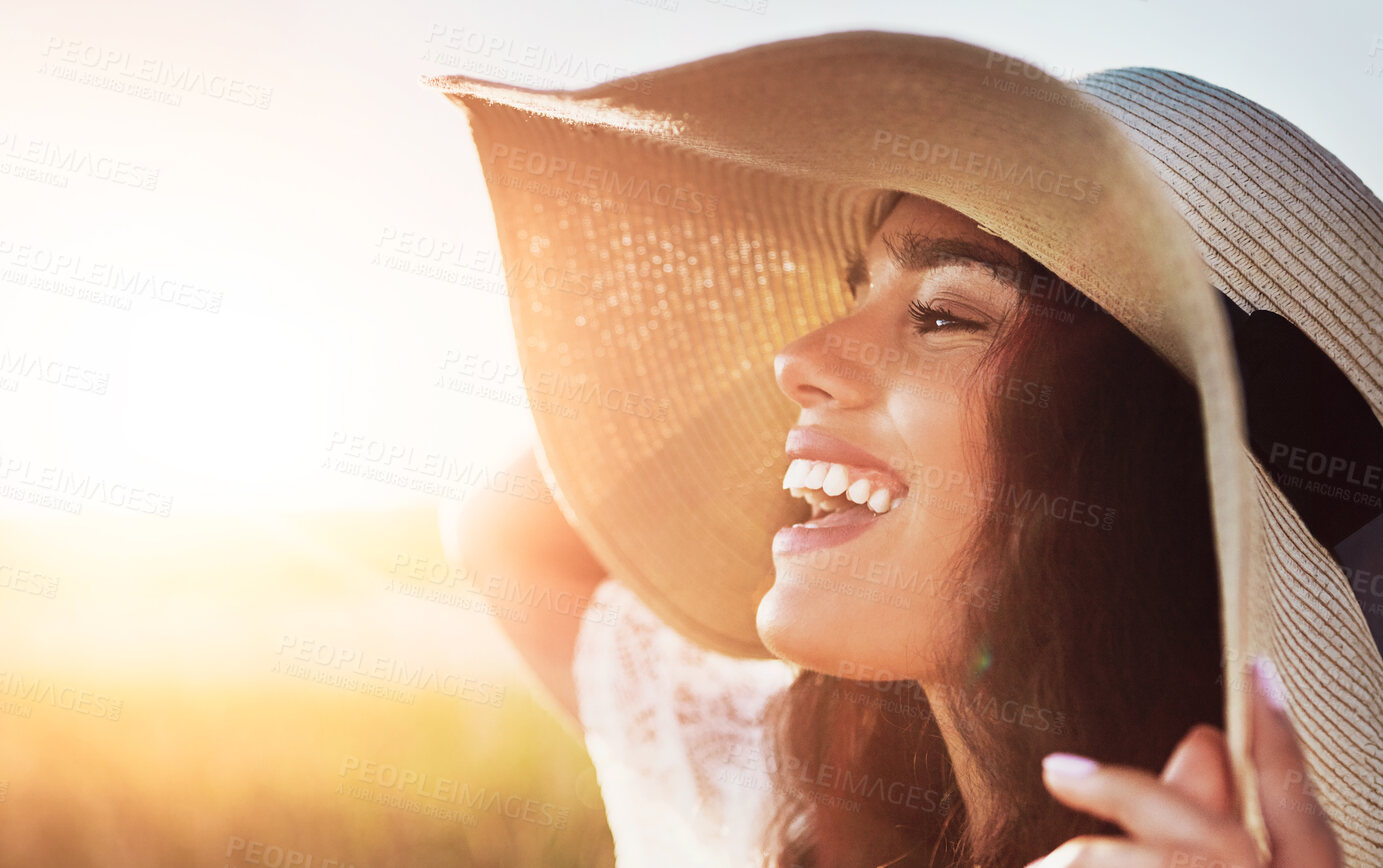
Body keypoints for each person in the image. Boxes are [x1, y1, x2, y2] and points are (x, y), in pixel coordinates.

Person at [429, 32, 1383, 868]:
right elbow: (508, 529)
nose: (792, 357)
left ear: (1156, 471)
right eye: (853, 297)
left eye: (940, 313)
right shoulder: (783, 796)